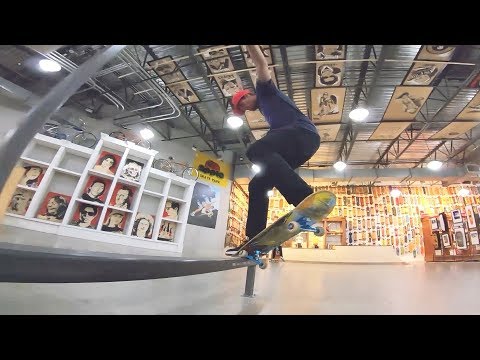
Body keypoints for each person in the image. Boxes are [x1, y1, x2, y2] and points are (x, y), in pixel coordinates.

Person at [225, 45, 321, 256]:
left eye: (242, 104)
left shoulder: (264, 91)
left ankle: (303, 196)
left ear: (247, 94)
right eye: (241, 110)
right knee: (257, 184)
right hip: (296, 145)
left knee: (255, 151)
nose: (244, 109)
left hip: (302, 134)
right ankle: (254, 238)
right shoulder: (270, 118)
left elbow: (261, 64)